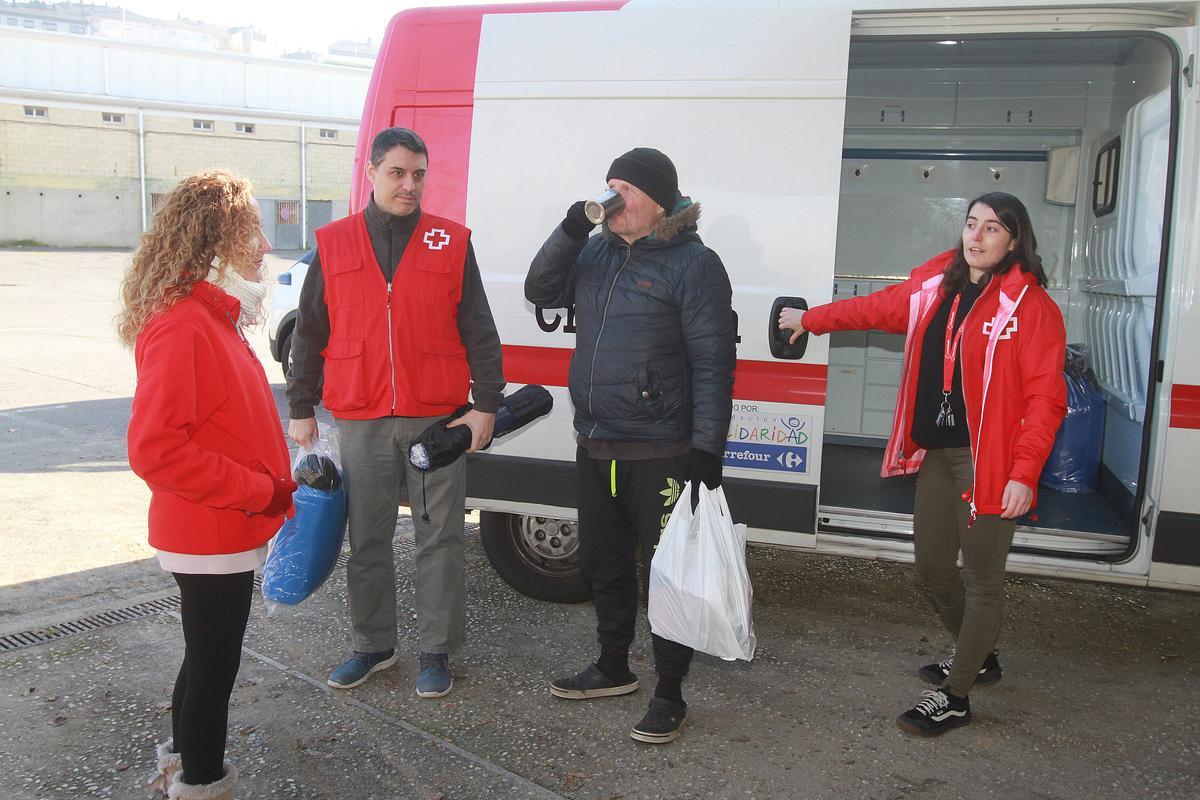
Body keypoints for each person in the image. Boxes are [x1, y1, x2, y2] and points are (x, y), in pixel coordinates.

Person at [778, 192, 1066, 737]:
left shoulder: (1031, 308)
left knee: (981, 579)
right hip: (939, 451)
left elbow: (1045, 399)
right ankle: (979, 657)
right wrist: (811, 320)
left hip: (993, 463)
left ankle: (956, 695)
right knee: (933, 571)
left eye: (992, 229)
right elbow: (875, 308)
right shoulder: (939, 288)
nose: (976, 237)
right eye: (971, 224)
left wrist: (1024, 474)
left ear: (1014, 240)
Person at [525, 147, 736, 744]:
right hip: (596, 441)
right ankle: (613, 665)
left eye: (626, 188)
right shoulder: (595, 250)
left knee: (669, 576)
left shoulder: (695, 264)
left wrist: (707, 451)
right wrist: (570, 230)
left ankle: (670, 692)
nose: (613, 198)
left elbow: (714, 364)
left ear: (658, 200)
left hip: (661, 449)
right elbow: (541, 290)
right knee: (604, 563)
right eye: (608, 185)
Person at [286, 127, 504, 698]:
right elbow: (310, 331)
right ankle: (373, 645)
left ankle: (436, 650)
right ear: (373, 173)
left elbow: (479, 327)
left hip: (435, 418)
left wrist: (485, 405)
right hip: (359, 415)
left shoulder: (449, 241)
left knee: (441, 539)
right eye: (398, 173)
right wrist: (301, 405)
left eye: (419, 175)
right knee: (368, 539)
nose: (410, 185)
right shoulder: (333, 243)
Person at [122, 170, 296, 799]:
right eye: (250, 230)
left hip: (222, 523)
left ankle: (180, 763)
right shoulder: (183, 323)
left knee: (205, 658)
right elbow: (156, 449)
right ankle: (199, 782)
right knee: (214, 666)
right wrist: (258, 491)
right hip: (210, 526)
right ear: (215, 236)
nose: (261, 246)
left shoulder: (212, 314)